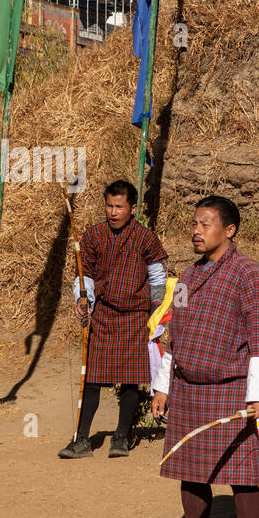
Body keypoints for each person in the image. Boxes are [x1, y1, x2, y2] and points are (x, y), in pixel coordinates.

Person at [151, 196, 259, 518]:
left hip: (231, 389)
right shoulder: (188, 277)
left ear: (229, 230)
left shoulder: (249, 274)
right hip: (188, 388)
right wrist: (164, 387)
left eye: (205, 224)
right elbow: (176, 333)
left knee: (241, 472)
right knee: (189, 469)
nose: (196, 230)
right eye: (194, 223)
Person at [60, 180, 168, 459]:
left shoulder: (146, 238)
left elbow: (157, 279)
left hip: (135, 318)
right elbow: (85, 275)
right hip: (104, 315)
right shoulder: (94, 235)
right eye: (109, 205)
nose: (113, 212)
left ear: (132, 208)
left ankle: (121, 437)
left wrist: (155, 315)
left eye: (119, 206)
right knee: (92, 380)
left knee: (131, 382)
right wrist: (83, 300)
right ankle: (81, 440)